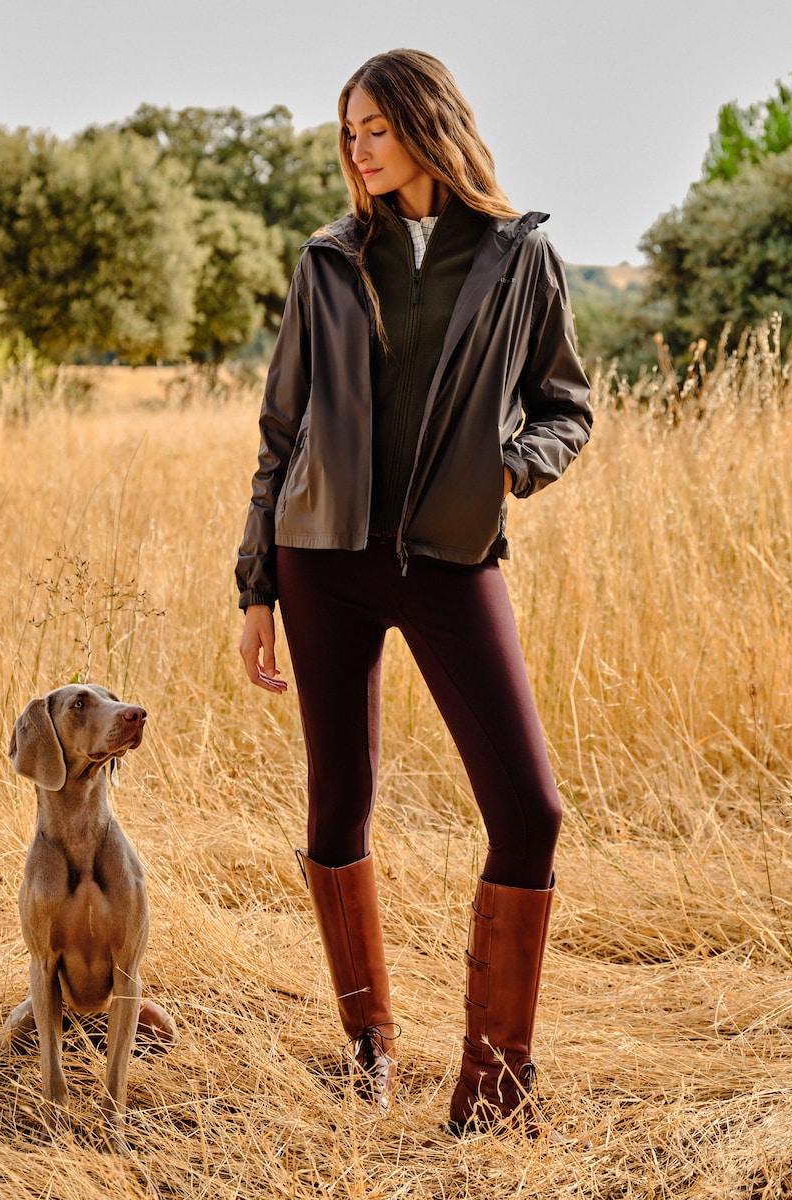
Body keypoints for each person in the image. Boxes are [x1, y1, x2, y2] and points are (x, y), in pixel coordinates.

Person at [236, 48, 592, 1133]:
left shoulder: (518, 256)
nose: (357, 150)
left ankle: (492, 1083)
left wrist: (511, 470)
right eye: (348, 132)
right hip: (322, 558)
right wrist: (256, 587)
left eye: (375, 128)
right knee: (338, 802)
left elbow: (566, 406)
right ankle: (369, 1050)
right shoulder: (329, 258)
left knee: (529, 811)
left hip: (449, 560)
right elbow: (281, 430)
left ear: (428, 124)